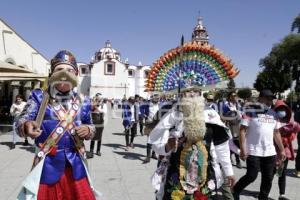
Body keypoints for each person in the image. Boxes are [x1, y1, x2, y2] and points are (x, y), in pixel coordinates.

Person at [15, 50, 99, 200]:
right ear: (51, 73)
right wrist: (26, 125)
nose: (64, 73)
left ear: (76, 74)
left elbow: (91, 126)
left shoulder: (83, 100)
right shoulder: (39, 96)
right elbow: (21, 122)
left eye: (69, 70)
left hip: (76, 164)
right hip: (47, 164)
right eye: (59, 69)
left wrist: (88, 130)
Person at [149, 89, 235, 200]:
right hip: (177, 172)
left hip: (204, 173)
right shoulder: (174, 114)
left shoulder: (210, 114)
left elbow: (221, 147)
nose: (192, 94)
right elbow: (155, 139)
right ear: (181, 94)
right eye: (188, 91)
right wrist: (167, 146)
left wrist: (229, 171)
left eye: (196, 91)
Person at [233, 89, 286, 200]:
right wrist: (243, 149)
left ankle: (263, 197)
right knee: (251, 175)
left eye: (271, 99)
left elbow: (276, 132)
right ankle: (236, 190)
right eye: (267, 98)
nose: (269, 101)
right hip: (253, 151)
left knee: (268, 178)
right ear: (260, 99)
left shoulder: (274, 114)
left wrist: (281, 150)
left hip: (269, 152)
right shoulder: (250, 111)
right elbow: (242, 130)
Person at [273, 100, 300, 200]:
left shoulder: (290, 122)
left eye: (283, 109)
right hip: (272, 152)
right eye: (279, 109)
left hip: (285, 153)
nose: (282, 111)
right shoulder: (272, 121)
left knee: (282, 173)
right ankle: (264, 192)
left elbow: (297, 129)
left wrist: (290, 136)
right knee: (270, 174)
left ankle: (282, 194)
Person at [221, 92, 242, 169]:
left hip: (237, 126)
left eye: (236, 95)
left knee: (236, 143)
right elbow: (223, 116)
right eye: (233, 96)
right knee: (231, 143)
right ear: (230, 97)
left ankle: (235, 160)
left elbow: (242, 115)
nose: (235, 97)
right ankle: (233, 160)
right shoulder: (226, 105)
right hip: (230, 126)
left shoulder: (238, 105)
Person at [87, 93, 107, 158]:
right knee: (92, 136)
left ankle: (98, 150)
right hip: (93, 122)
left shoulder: (103, 105)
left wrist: (97, 108)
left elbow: (104, 112)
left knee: (99, 136)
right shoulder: (93, 104)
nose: (98, 99)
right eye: (97, 97)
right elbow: (89, 110)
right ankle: (91, 151)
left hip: (100, 122)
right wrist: (93, 105)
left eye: (99, 97)